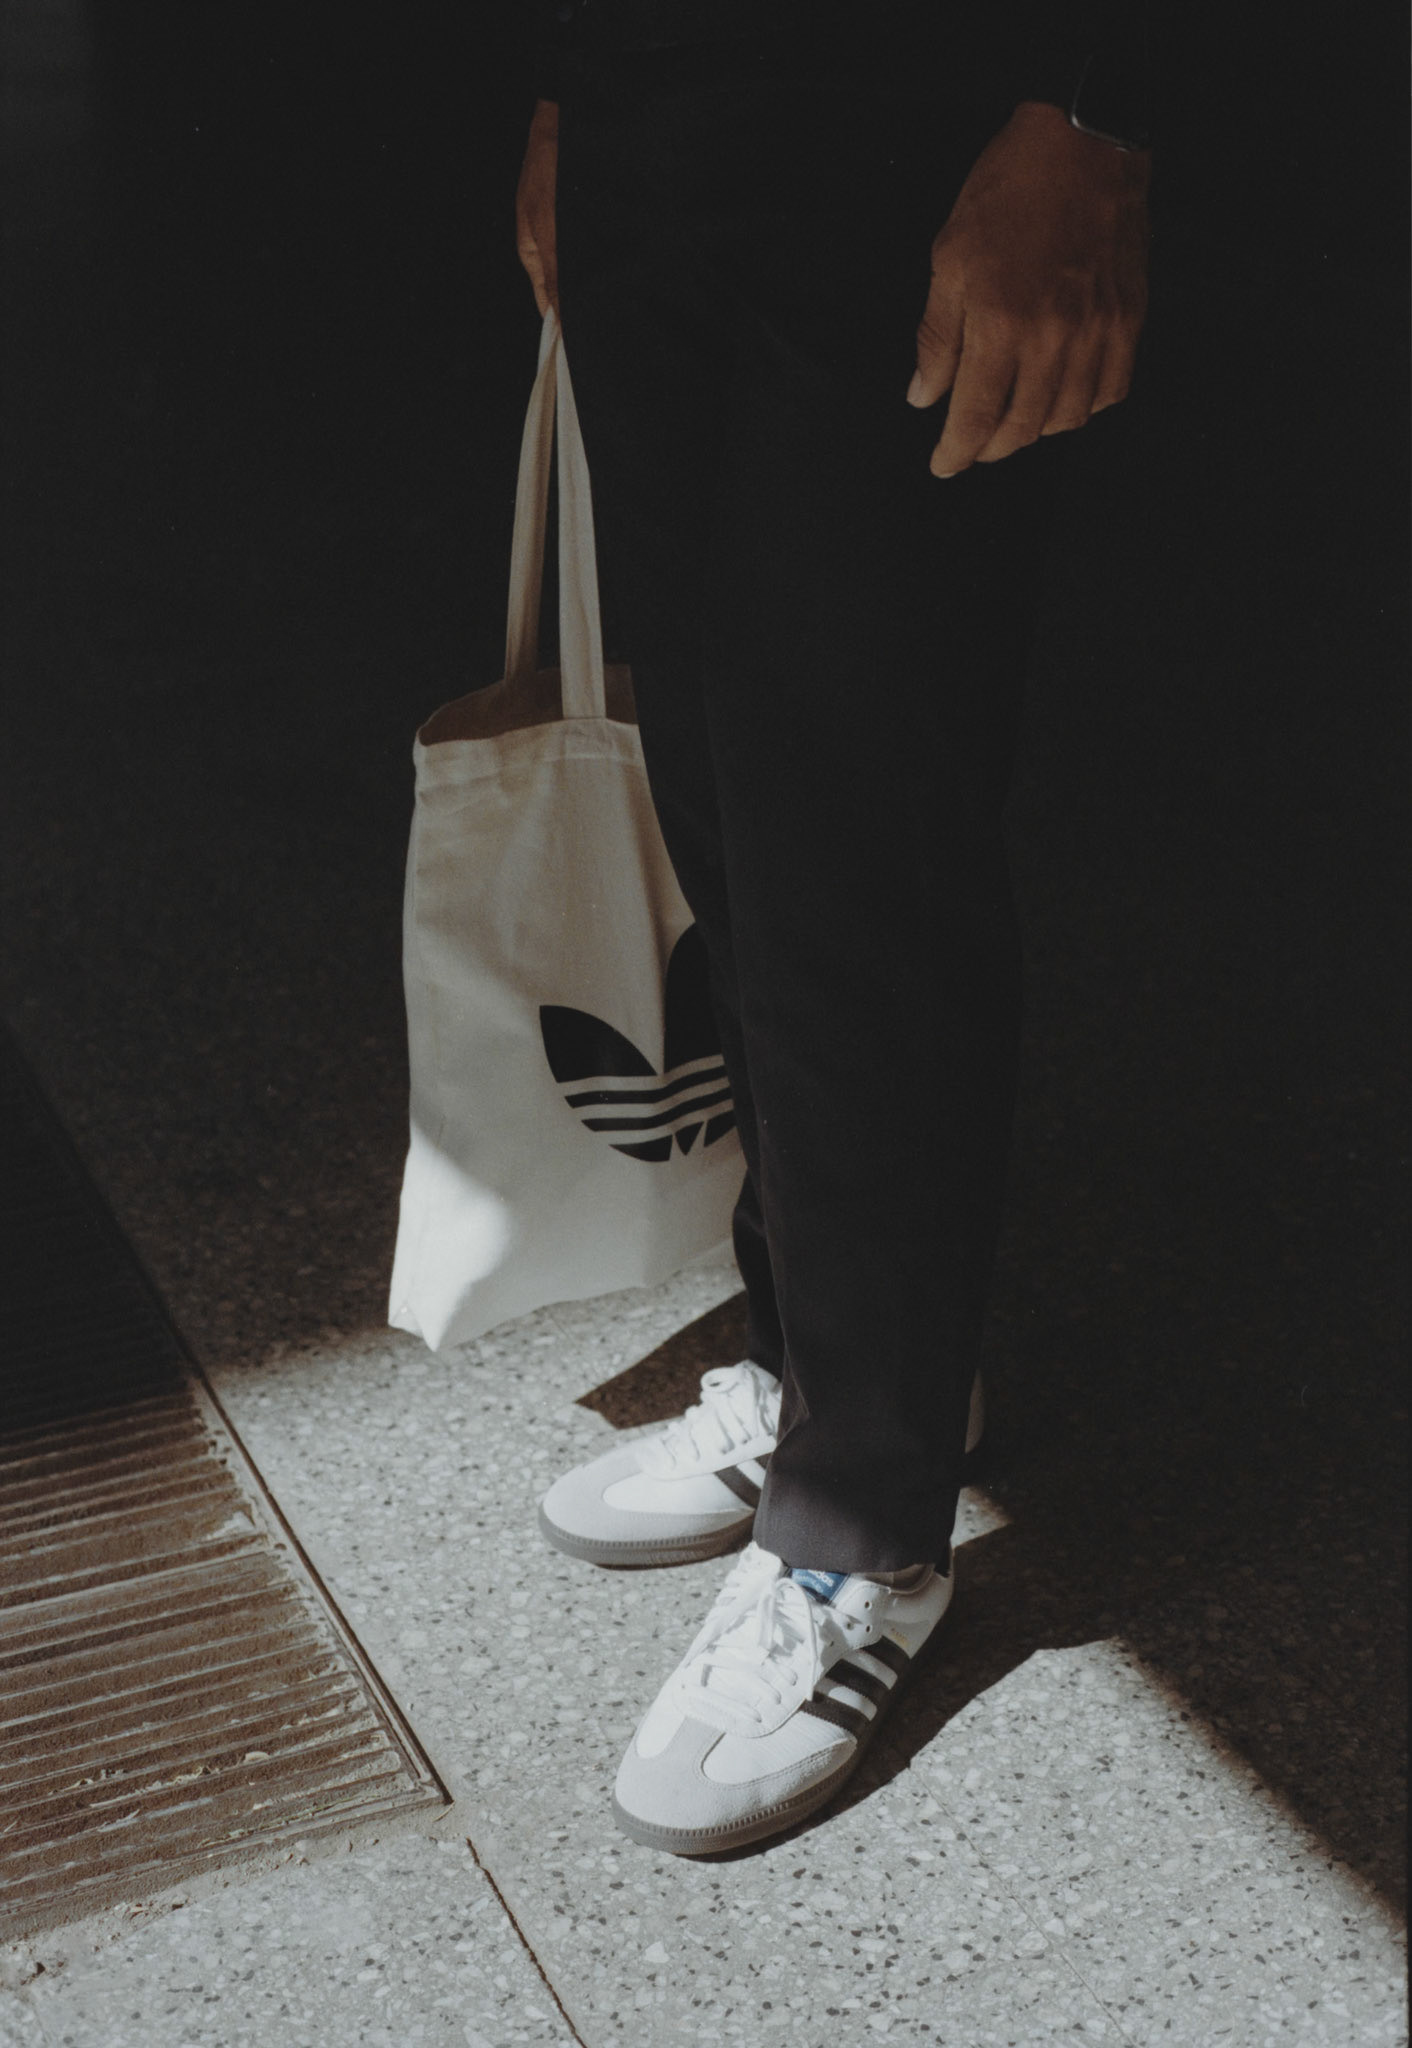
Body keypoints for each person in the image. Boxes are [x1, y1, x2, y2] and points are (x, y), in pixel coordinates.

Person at [516, 0, 1151, 1855]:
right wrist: (569, 83)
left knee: (857, 821)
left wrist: (1097, 111)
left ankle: (861, 1523)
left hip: (915, 110)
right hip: (651, 100)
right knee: (721, 789)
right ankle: (842, 1368)